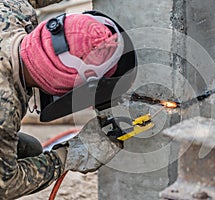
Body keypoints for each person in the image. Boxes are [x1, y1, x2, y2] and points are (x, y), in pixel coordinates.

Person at [0, 1, 123, 199]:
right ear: (59, 86)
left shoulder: (14, 11)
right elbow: (6, 185)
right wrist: (67, 156)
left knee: (29, 149)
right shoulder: (5, 109)